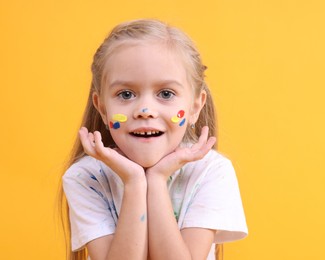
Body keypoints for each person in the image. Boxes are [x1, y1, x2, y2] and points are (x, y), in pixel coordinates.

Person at [59, 19, 247, 260]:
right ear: (103, 108)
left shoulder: (210, 171)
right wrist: (135, 182)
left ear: (194, 107)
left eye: (166, 93)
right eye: (126, 94)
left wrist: (157, 179)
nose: (145, 110)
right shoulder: (86, 177)